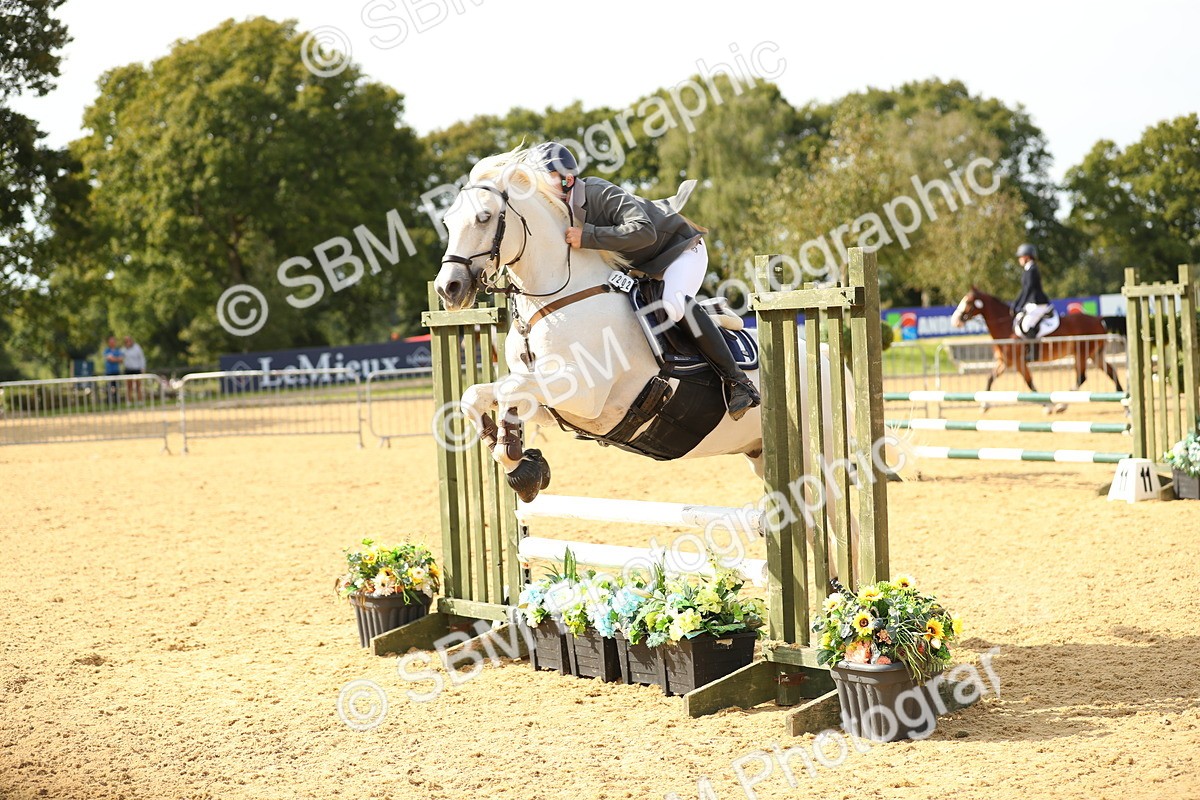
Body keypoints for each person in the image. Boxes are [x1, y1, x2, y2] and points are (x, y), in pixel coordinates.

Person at [533, 141, 760, 420]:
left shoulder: (597, 192)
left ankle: (738, 382)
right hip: (646, 268)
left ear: (567, 178)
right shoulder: (558, 212)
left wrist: (589, 237)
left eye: (544, 179)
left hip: (681, 252)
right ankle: (704, 315)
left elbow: (645, 232)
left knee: (674, 305)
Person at [1011, 243, 1054, 340]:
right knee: (1019, 321)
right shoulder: (1028, 270)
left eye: (1020, 257)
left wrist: (1020, 305)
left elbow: (1028, 289)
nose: (1019, 259)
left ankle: (1034, 352)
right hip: (1031, 304)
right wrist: (1016, 303)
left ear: (1026, 257)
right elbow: (1024, 290)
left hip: (1038, 304)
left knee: (1026, 326)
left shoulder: (1033, 270)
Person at [123, 335, 146, 402]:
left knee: (138, 386)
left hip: (137, 369)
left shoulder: (137, 347)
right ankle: (129, 401)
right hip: (128, 369)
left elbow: (142, 358)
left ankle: (140, 400)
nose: (128, 342)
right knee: (128, 387)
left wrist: (142, 367)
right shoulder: (124, 349)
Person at [102, 336, 123, 404]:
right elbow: (110, 359)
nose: (112, 343)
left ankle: (116, 401)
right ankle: (108, 401)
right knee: (108, 387)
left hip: (116, 371)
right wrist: (116, 359)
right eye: (111, 342)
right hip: (109, 372)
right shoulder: (106, 350)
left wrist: (114, 359)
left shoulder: (118, 350)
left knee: (117, 387)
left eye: (113, 342)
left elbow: (121, 360)